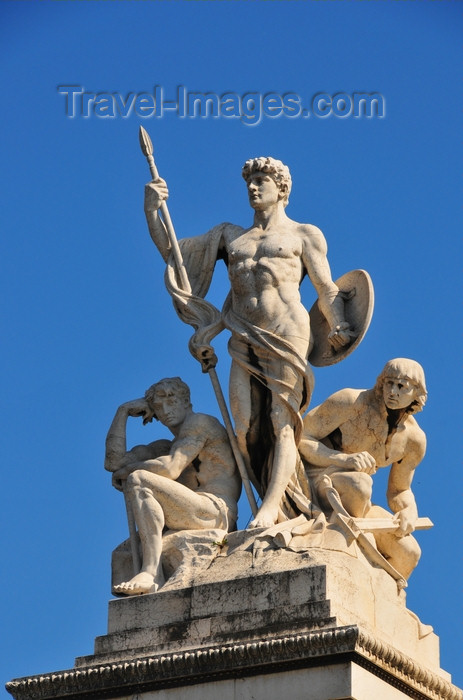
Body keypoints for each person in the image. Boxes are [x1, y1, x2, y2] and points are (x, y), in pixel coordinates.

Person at [144, 157, 351, 529]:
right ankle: (276, 494)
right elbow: (173, 255)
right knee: (243, 426)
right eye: (250, 182)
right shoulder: (230, 237)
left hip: (288, 331)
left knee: (280, 419)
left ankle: (271, 506)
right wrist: (152, 209)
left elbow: (326, 288)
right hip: (242, 334)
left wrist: (339, 324)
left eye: (261, 181)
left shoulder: (304, 235)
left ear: (281, 189)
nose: (253, 188)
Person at [105, 377, 241, 595]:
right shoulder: (166, 447)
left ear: (186, 400)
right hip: (193, 511)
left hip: (216, 509)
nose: (166, 410)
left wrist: (130, 471)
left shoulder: (201, 423)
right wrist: (122, 412)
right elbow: (113, 462)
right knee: (124, 551)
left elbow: (171, 469)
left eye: (172, 401)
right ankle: (150, 572)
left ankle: (151, 572)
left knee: (139, 479)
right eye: (159, 407)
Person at [299, 358, 427, 579]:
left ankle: (381, 596)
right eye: (389, 383)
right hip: (315, 481)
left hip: (358, 501)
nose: (392, 392)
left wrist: (408, 511)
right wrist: (342, 460)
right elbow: (300, 438)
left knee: (409, 553)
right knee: (361, 483)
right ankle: (349, 545)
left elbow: (399, 490)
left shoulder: (414, 441)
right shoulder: (351, 401)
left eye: (401, 386)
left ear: (417, 392)